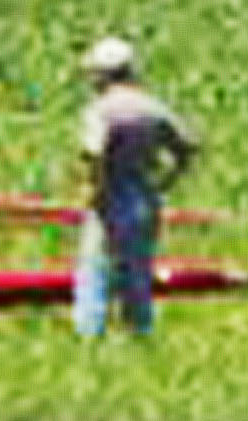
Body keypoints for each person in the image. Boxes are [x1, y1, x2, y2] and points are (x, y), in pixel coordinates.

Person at [71, 33, 201, 342]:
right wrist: (167, 181)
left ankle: (90, 335)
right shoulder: (152, 107)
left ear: (103, 75)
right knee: (138, 272)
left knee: (95, 271)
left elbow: (93, 153)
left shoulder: (102, 110)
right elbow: (187, 146)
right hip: (145, 196)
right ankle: (140, 332)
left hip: (112, 195)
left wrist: (91, 189)